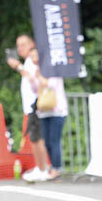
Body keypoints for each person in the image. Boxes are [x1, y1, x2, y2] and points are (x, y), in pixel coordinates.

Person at [6, 35, 51, 182]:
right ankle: (41, 167)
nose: (20, 48)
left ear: (31, 44)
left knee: (37, 138)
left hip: (35, 104)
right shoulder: (28, 61)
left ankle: (43, 168)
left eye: (23, 45)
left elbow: (32, 77)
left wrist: (17, 66)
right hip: (31, 106)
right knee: (34, 138)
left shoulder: (32, 60)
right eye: (18, 46)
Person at [27, 48, 67, 180]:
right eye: (31, 56)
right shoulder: (37, 71)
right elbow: (34, 89)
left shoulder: (52, 69)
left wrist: (38, 76)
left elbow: (51, 86)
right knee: (47, 142)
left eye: (35, 55)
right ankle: (52, 168)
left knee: (54, 140)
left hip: (57, 110)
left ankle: (56, 169)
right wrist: (32, 78)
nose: (34, 59)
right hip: (43, 111)